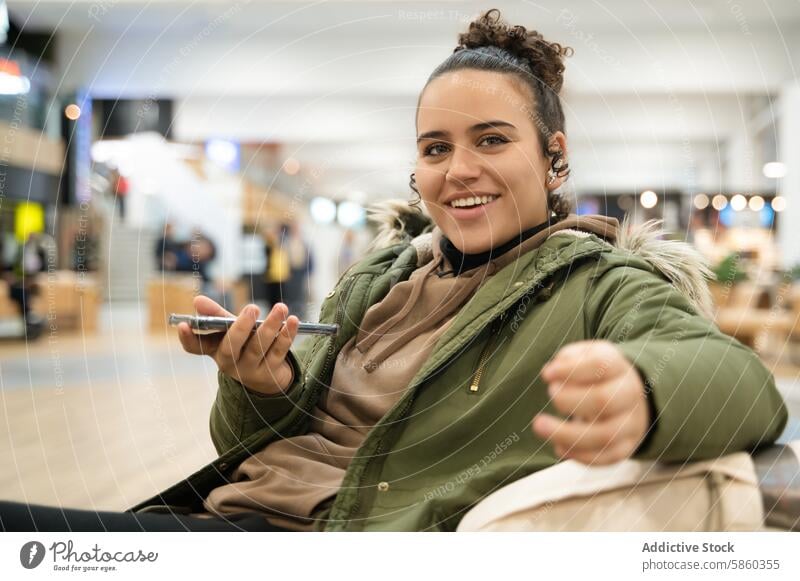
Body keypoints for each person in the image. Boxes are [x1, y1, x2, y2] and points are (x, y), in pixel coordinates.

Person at [1, 9, 787, 532]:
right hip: (229, 511)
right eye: (436, 148)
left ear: (554, 158)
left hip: (320, 538)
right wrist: (259, 382)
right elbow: (260, 440)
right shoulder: (381, 276)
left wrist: (646, 391)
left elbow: (742, 384)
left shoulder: (597, 284)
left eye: (491, 139)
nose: (459, 169)